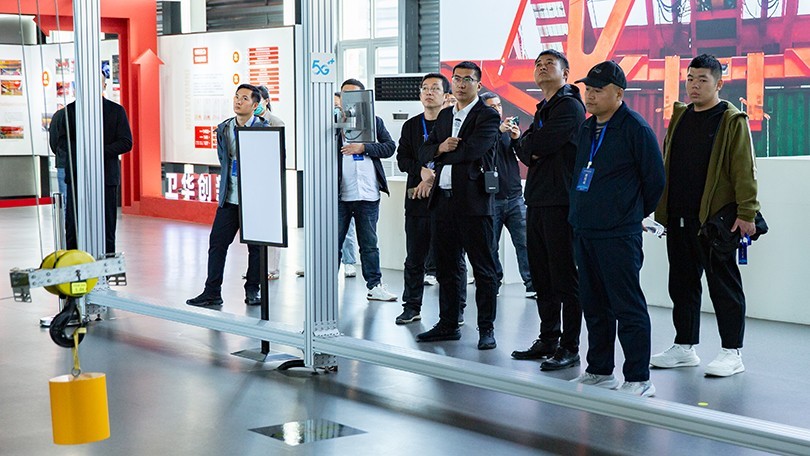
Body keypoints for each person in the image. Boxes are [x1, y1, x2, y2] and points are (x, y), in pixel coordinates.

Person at [651, 54, 760, 377]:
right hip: (679, 217)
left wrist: (747, 212)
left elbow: (744, 170)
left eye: (702, 80)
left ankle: (732, 352)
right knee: (682, 285)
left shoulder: (731, 120)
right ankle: (684, 346)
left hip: (714, 221)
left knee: (724, 286)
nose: (694, 86)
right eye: (690, 79)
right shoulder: (681, 116)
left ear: (719, 83)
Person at [568, 61, 665, 396]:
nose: (590, 96)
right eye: (588, 90)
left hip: (619, 232)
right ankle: (599, 370)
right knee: (594, 305)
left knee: (627, 305)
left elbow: (655, 180)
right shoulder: (587, 127)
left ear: (619, 93)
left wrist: (629, 212)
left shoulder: (635, 128)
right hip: (586, 229)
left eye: (598, 90)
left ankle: (638, 378)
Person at [415, 61, 501, 350]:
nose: (461, 84)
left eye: (468, 79)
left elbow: (473, 151)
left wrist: (440, 154)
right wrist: (440, 148)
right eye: (457, 79)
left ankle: (486, 329)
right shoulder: (444, 115)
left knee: (484, 269)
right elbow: (424, 151)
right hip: (443, 201)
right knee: (447, 267)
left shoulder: (487, 115)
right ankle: (448, 324)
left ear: (478, 84)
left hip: (473, 203)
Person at [510, 50, 585, 371]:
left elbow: (536, 145)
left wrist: (531, 146)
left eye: (549, 64)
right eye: (537, 64)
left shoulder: (569, 106)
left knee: (565, 277)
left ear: (565, 73)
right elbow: (527, 150)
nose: (541, 68)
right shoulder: (544, 107)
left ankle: (570, 346)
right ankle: (548, 338)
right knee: (542, 276)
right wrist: (531, 146)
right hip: (538, 199)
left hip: (560, 201)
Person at [187, 84, 271, 307]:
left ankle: (252, 290)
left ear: (255, 105)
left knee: (256, 248)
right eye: (236, 97)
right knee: (217, 244)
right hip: (230, 197)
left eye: (244, 98)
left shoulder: (265, 129)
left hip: (254, 200)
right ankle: (212, 291)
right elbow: (224, 160)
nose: (238, 101)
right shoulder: (224, 128)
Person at [395, 73, 467, 325]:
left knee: (452, 259)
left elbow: (459, 158)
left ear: (446, 95)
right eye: (424, 88)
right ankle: (411, 306)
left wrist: (433, 178)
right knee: (414, 258)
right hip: (417, 200)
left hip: (446, 200)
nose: (428, 92)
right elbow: (402, 159)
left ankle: (456, 309)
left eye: (435, 88)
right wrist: (422, 172)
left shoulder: (455, 124)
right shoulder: (411, 126)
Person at [54, 64, 132, 254]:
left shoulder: (116, 111)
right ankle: (74, 262)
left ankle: (107, 263)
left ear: (103, 86)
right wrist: (83, 151)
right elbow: (61, 142)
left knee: (107, 226)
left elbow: (126, 142)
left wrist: (98, 152)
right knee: (73, 225)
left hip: (106, 178)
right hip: (77, 176)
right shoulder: (70, 112)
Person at [337, 79, 398, 301]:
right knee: (334, 243)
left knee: (369, 244)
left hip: (368, 194)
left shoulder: (374, 122)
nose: (350, 100)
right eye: (345, 95)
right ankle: (326, 286)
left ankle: (374, 285)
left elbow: (389, 147)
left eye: (355, 95)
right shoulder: (333, 124)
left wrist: (363, 147)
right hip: (340, 195)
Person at [479, 91, 534, 298]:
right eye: (492, 106)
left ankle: (532, 283)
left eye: (499, 105)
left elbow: (524, 156)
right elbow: (482, 151)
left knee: (525, 242)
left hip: (514, 196)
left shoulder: (507, 129)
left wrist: (517, 138)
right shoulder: (479, 132)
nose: (497, 109)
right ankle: (493, 281)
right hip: (490, 198)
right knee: (490, 245)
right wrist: (497, 131)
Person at [255, 85, 284, 280]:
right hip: (254, 181)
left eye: (259, 100)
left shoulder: (275, 122)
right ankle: (256, 268)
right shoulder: (249, 122)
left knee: (271, 227)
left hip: (271, 181)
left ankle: (272, 269)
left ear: (266, 101)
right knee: (256, 227)